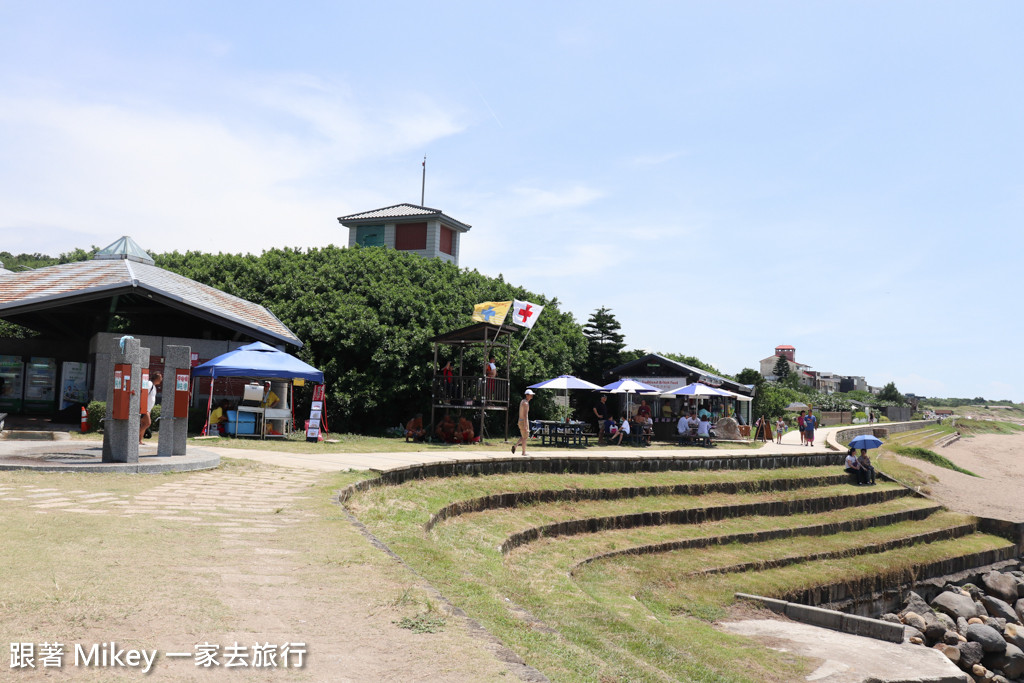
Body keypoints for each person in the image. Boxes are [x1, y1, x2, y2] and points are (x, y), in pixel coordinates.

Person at [139, 371, 162, 445]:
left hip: (148, 409)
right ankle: (133, 437)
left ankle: (139, 440)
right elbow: (144, 394)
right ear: (156, 378)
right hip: (145, 408)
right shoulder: (149, 384)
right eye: (160, 378)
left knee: (143, 424)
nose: (161, 380)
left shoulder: (154, 386)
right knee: (147, 423)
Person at [512, 389, 533, 455]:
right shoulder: (526, 403)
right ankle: (523, 452)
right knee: (525, 437)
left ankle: (515, 446)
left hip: (520, 421)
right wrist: (526, 426)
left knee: (524, 436)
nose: (532, 396)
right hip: (523, 421)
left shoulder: (523, 401)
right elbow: (525, 416)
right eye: (531, 395)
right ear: (527, 395)